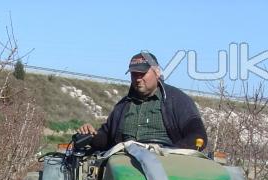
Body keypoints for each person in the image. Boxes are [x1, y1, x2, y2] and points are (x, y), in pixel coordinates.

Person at [77, 51, 207, 151]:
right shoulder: (122, 106)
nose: (138, 78)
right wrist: (91, 135)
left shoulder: (178, 100)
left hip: (166, 163)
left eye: (142, 73)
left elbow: (198, 135)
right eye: (134, 74)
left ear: (157, 72)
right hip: (123, 162)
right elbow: (106, 138)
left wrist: (172, 153)